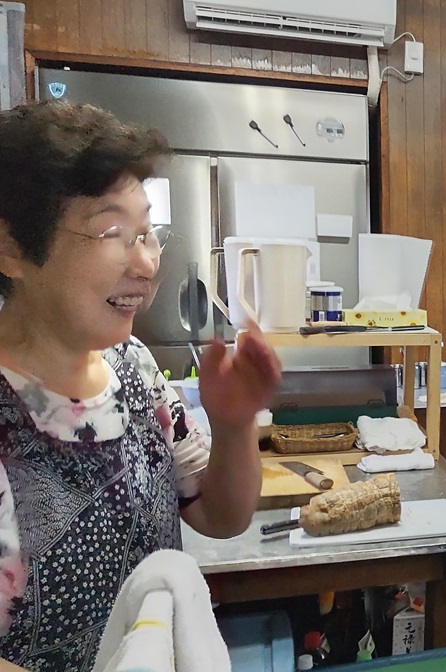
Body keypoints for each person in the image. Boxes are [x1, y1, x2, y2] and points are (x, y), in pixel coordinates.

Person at [0, 100, 282, 671]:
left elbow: (220, 518)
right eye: (113, 232)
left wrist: (233, 423)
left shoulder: (135, 368)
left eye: (147, 232)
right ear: (11, 247)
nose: (148, 263)